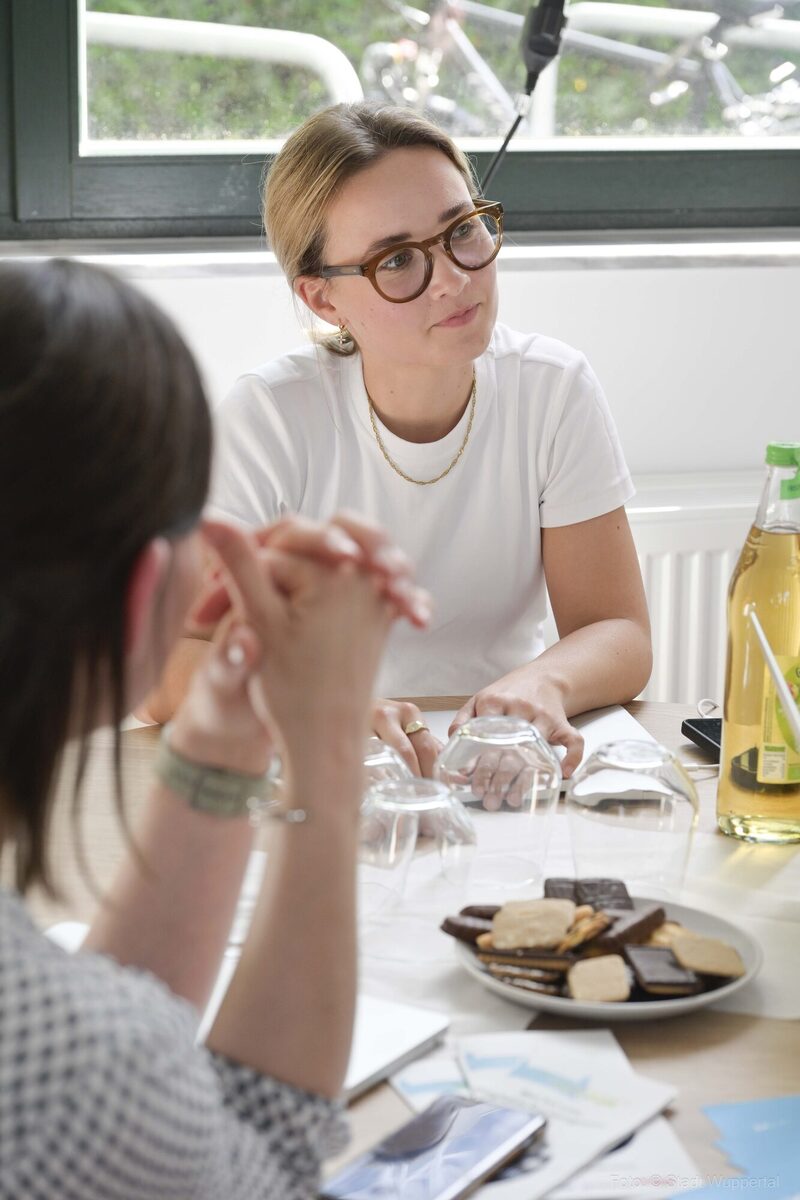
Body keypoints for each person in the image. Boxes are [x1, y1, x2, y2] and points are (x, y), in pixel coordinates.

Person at [0, 258, 429, 1200]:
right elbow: (261, 1173)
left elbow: (118, 1045)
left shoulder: (64, 1039)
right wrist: (322, 753)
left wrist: (228, 736)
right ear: (149, 589)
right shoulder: (78, 1069)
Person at [148, 101, 651, 780]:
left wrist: (543, 684)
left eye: (463, 230)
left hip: (496, 763)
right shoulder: (268, 417)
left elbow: (619, 633)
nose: (453, 278)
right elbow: (168, 664)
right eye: (398, 260)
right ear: (324, 299)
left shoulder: (552, 388)